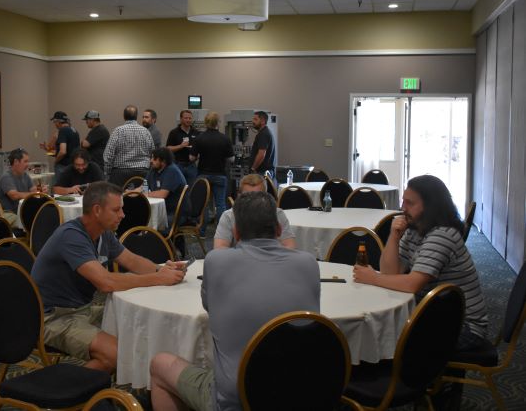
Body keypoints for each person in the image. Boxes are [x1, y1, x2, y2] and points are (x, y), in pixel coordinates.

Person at [149, 191, 320, 411]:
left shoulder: (217, 262)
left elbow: (210, 306)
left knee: (160, 364)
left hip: (238, 400)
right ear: (278, 230)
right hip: (301, 395)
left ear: (236, 232)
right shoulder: (308, 264)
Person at [30, 181, 187, 372]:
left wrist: (161, 269)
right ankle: (65, 396)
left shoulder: (104, 233)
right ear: (97, 210)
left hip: (82, 309)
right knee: (119, 355)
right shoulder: (71, 236)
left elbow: (132, 261)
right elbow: (106, 282)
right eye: (117, 210)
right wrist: (158, 278)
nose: (123, 215)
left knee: (143, 327)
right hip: (53, 318)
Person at [353, 175, 488, 350]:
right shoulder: (415, 228)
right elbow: (390, 273)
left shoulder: (442, 234)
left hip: (463, 327)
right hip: (434, 312)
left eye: (410, 203)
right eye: (403, 201)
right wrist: (394, 236)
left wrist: (372, 278)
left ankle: (395, 374)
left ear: (430, 206)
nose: (402, 208)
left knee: (384, 333)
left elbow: (412, 284)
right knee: (380, 327)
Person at [214, 174, 296, 249]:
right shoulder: (229, 216)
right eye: (247, 196)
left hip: (271, 261)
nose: (253, 201)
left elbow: (289, 245)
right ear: (239, 196)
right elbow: (220, 247)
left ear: (266, 195)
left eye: (258, 196)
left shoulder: (277, 214)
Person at [190, 112, 234, 236]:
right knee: (220, 204)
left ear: (205, 122)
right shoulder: (225, 138)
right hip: (220, 174)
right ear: (218, 123)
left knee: (204, 204)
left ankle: (202, 232)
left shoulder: (199, 138)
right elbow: (231, 159)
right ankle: (221, 233)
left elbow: (192, 158)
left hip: (203, 176)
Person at [103, 105, 155, 187]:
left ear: (124, 116)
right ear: (136, 116)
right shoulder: (146, 132)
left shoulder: (118, 131)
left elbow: (108, 155)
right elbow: (153, 153)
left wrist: (108, 173)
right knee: (140, 198)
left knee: (119, 198)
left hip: (120, 173)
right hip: (142, 172)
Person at [139, 147, 187, 227]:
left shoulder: (172, 171)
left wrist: (144, 194)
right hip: (162, 210)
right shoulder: (154, 169)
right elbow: (143, 187)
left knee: (145, 220)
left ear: (163, 161)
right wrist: (130, 193)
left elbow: (162, 194)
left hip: (175, 213)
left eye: (154, 159)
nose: (151, 161)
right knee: (137, 216)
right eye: (151, 158)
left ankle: (152, 238)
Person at [0, 148, 37, 226]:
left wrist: (41, 191)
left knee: (41, 217)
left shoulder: (25, 175)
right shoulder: (6, 177)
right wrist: (33, 193)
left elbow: (34, 190)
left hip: (22, 211)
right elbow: (14, 195)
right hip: (7, 214)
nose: (28, 164)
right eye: (25, 161)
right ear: (16, 162)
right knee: (30, 222)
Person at [166, 110, 200, 188]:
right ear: (181, 119)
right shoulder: (174, 132)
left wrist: (198, 155)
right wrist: (180, 146)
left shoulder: (196, 132)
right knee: (178, 188)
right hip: (178, 165)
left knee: (192, 189)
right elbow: (168, 148)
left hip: (191, 166)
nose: (188, 120)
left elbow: (200, 149)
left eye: (190, 118)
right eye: (186, 118)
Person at [54, 112, 80, 182]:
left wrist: (56, 161)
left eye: (55, 122)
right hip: (73, 165)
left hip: (63, 166)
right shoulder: (74, 131)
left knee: (60, 189)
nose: (55, 124)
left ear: (58, 121)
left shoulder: (62, 130)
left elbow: (63, 151)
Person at [249, 111, 276, 181]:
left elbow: (261, 154)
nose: (253, 121)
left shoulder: (263, 134)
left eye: (255, 119)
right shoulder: (264, 132)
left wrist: (253, 168)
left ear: (263, 121)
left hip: (262, 172)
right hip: (264, 172)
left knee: (259, 192)